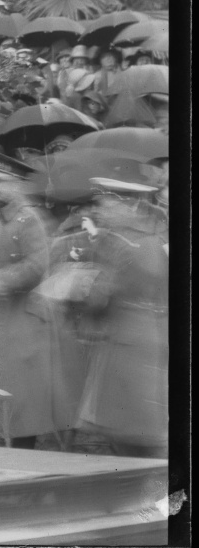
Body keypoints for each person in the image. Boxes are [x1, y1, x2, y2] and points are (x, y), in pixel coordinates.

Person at [0, 151, 82, 450]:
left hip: (27, 322)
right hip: (7, 318)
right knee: (13, 395)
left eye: (0, 181)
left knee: (25, 399)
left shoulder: (28, 219)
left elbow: (36, 266)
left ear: (17, 185)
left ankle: (24, 460)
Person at [68, 176, 168, 457]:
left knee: (140, 439)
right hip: (138, 339)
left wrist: (76, 285)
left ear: (129, 205)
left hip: (128, 346)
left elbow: (99, 297)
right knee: (132, 434)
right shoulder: (149, 237)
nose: (100, 210)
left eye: (107, 203)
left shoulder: (124, 243)